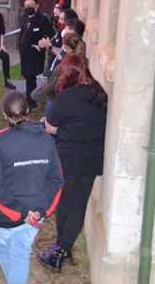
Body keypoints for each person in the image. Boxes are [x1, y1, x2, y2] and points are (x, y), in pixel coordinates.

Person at [0, 91, 64, 284]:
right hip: (32, 216)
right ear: (27, 111)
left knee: (8, 253)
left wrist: (27, 212)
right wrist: (39, 211)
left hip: (5, 216)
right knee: (19, 256)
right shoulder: (45, 138)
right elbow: (56, 180)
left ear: (4, 115)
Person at [39, 54, 108, 271]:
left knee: (66, 204)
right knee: (78, 204)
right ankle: (64, 247)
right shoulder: (99, 94)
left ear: (67, 73)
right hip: (92, 159)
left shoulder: (67, 97)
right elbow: (92, 125)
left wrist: (53, 127)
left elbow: (51, 126)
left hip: (69, 158)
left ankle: (60, 250)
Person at [32, 29, 87, 114]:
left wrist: (48, 90)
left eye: (64, 45)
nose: (62, 47)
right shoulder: (79, 59)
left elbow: (54, 85)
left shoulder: (68, 64)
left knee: (36, 96)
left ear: (68, 48)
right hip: (61, 95)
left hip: (56, 97)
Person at [18, 0, 54, 110]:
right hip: (24, 53)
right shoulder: (24, 17)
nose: (28, 8)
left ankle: (31, 102)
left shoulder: (42, 19)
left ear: (37, 6)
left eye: (31, 6)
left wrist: (40, 43)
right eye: (26, 6)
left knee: (30, 77)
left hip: (34, 53)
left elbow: (50, 33)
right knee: (27, 77)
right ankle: (30, 100)